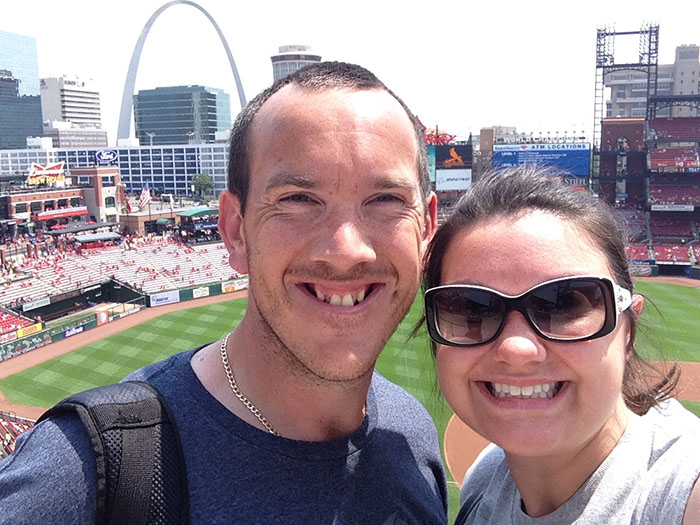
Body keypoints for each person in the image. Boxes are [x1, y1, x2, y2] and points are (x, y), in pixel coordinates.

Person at [0, 62, 448, 523]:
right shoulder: (84, 474)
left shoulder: (411, 435)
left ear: (427, 228)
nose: (346, 251)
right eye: (297, 199)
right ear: (235, 230)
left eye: (387, 200)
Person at [422, 166, 700, 524]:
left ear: (628, 328)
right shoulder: (485, 481)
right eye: (472, 307)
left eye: (564, 303)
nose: (516, 349)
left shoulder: (681, 492)